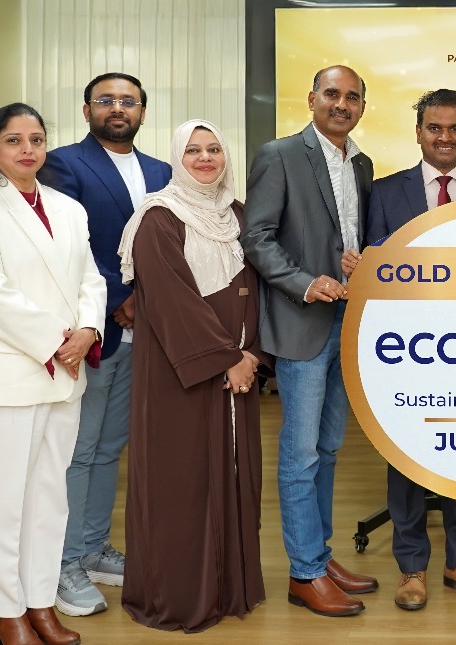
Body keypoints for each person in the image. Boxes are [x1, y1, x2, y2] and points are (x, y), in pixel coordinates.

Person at [0, 103, 104, 645]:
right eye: (13, 140)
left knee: (49, 498)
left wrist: (88, 329)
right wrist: (59, 342)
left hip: (64, 373)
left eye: (36, 139)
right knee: (4, 502)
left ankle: (40, 603)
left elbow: (91, 278)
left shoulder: (68, 208)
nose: (27, 149)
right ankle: (5, 611)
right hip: (6, 373)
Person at [117, 120, 267, 632]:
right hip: (180, 373)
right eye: (193, 150)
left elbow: (257, 290)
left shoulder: (237, 214)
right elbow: (169, 300)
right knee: (182, 483)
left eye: (214, 149)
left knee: (235, 475)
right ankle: (178, 597)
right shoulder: (158, 218)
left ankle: (230, 590)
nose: (205, 158)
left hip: (237, 372)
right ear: (177, 158)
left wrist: (251, 355)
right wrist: (226, 357)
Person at [242, 65, 378, 618]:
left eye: (352, 97)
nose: (341, 104)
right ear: (311, 99)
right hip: (302, 320)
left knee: (328, 448)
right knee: (299, 454)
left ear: (362, 106)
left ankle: (320, 556)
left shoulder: (362, 164)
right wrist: (304, 282)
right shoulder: (279, 155)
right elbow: (256, 237)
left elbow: (353, 236)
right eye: (331, 94)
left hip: (350, 320)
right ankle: (304, 574)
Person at [42, 72, 171, 617]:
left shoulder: (162, 171)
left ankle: (94, 548)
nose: (118, 108)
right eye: (106, 100)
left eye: (128, 101)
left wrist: (148, 298)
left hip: (147, 333)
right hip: (93, 330)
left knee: (111, 447)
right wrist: (120, 298)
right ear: (87, 109)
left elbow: (171, 243)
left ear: (142, 111)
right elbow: (69, 244)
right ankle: (63, 562)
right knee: (79, 449)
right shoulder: (64, 164)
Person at [366, 89, 456, 611]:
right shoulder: (384, 192)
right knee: (406, 456)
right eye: (434, 128)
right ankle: (412, 565)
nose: (445, 138)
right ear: (418, 132)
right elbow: (375, 273)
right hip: (407, 350)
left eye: (454, 128)